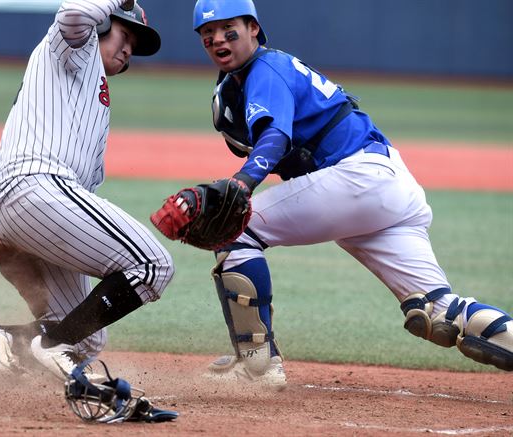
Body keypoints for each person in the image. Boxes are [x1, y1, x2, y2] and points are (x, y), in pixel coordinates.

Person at [169, 0, 512, 388]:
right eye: (207, 34)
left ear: (253, 28)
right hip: (386, 183)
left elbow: (275, 136)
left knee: (236, 229)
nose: (217, 39)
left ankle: (256, 367)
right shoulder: (245, 79)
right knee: (437, 310)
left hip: (357, 177)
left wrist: (242, 184)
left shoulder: (264, 68)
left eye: (228, 28)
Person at [0, 0, 174, 382]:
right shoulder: (77, 49)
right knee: (153, 265)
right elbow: (73, 14)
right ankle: (46, 346)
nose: (128, 50)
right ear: (104, 24)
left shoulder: (92, 91)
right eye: (125, 35)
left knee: (84, 336)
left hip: (21, 213)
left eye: (134, 48)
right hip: (33, 189)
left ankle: (7, 341)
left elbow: (86, 185)